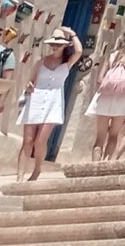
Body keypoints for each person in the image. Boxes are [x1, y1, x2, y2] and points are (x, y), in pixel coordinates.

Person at [17, 26, 81, 180]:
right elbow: (31, 80)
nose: (55, 47)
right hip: (36, 100)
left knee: (40, 141)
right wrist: (29, 86)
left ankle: (37, 169)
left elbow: (79, 51)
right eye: (54, 44)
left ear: (64, 46)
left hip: (53, 103)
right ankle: (20, 175)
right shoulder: (41, 62)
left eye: (59, 44)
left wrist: (72, 34)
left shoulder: (67, 62)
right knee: (28, 140)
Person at [87, 33, 125, 160]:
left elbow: (100, 79)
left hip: (105, 98)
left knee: (100, 137)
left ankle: (94, 167)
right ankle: (105, 164)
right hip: (123, 99)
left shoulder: (112, 55)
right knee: (114, 135)